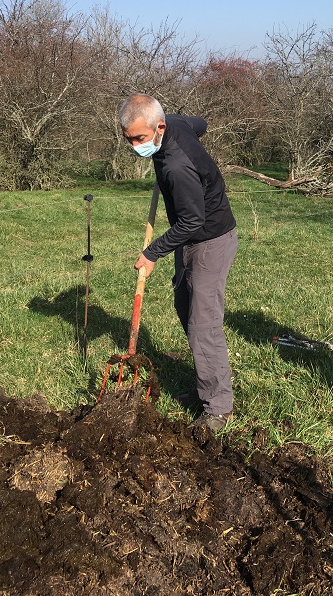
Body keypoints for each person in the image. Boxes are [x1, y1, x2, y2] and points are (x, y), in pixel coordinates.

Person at [119, 93, 238, 434]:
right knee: (184, 305)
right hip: (191, 238)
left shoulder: (176, 165)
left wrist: (152, 252)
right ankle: (207, 376)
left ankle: (217, 407)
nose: (134, 146)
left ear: (159, 127)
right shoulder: (175, 123)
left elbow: (191, 222)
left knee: (203, 324)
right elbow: (199, 123)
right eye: (129, 139)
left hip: (210, 239)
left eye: (140, 139)